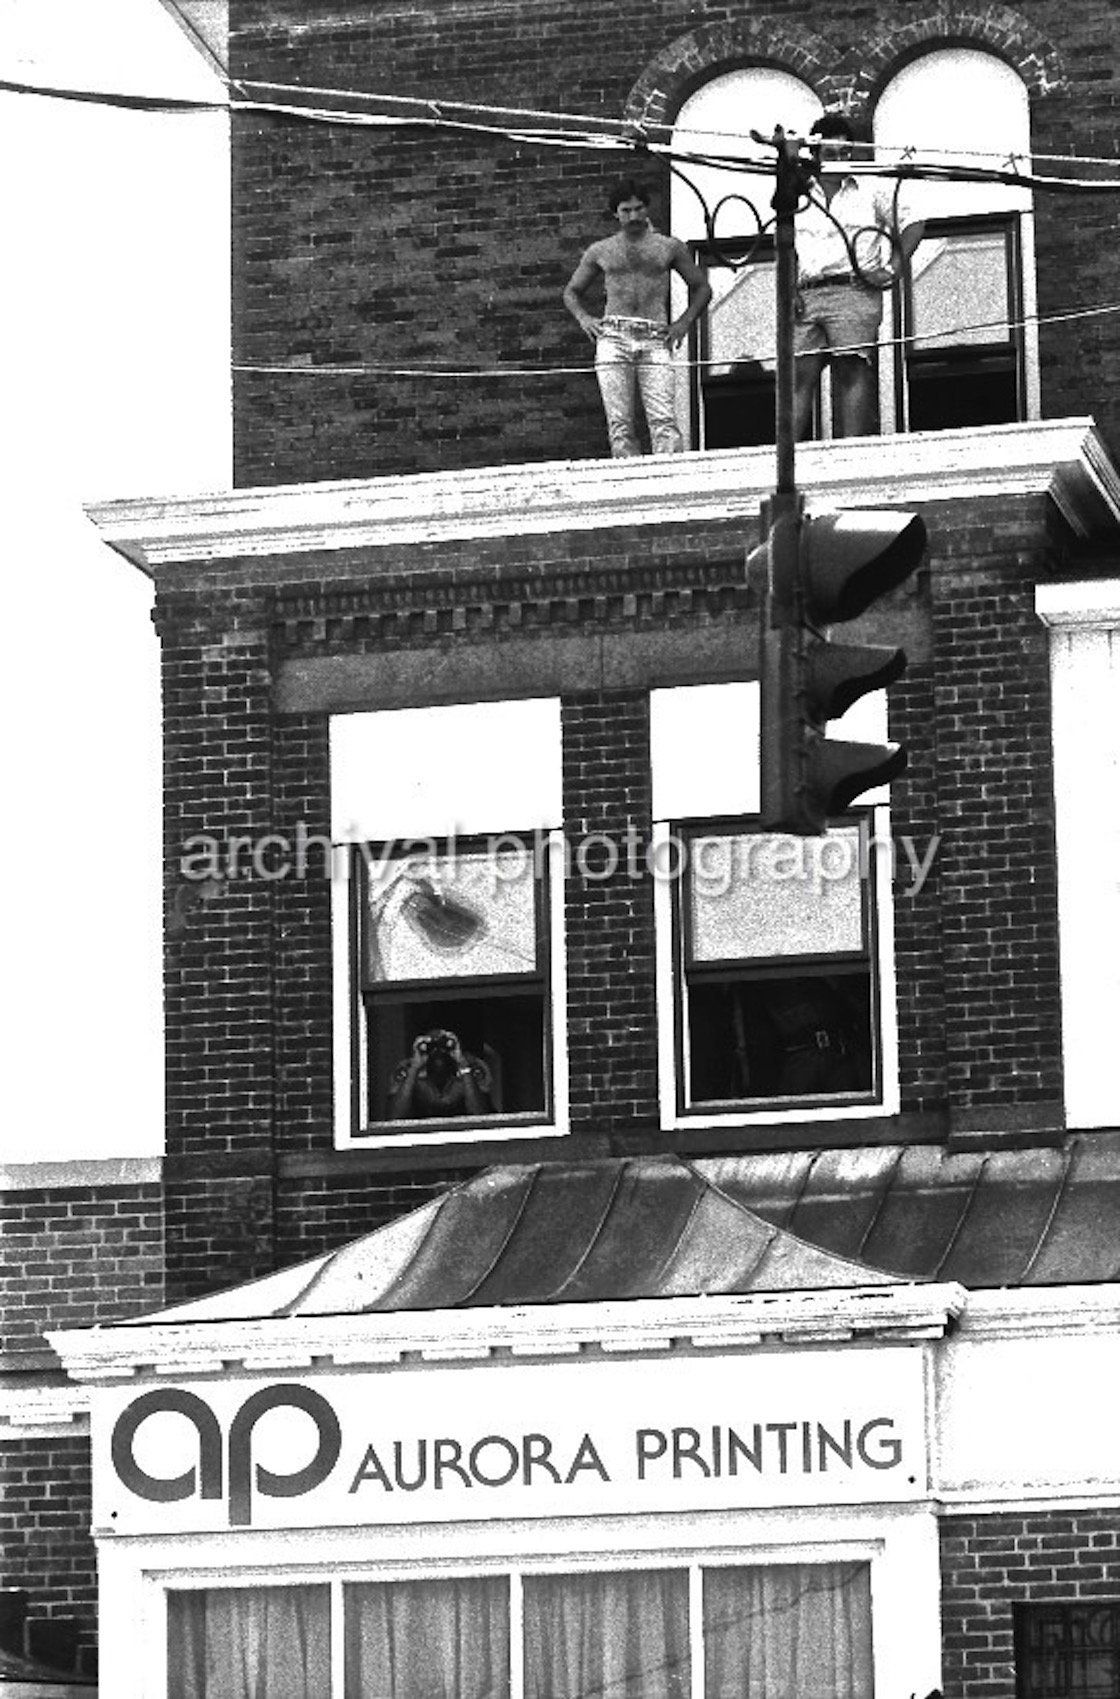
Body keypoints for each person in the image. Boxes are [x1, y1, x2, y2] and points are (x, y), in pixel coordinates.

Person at [793, 112, 925, 439]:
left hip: (854, 289)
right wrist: (789, 290)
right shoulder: (799, 192)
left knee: (851, 369)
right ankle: (786, 459)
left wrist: (893, 267)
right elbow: (784, 248)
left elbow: (913, 224)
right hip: (807, 292)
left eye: (845, 153)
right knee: (798, 374)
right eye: (830, 154)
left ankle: (852, 453)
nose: (839, 160)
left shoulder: (870, 189)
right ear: (815, 155)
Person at [563, 177, 712, 457]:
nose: (633, 216)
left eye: (638, 208)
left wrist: (683, 323)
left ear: (647, 209)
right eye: (626, 210)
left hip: (655, 335)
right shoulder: (601, 250)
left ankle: (669, 481)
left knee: (663, 419)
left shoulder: (668, 246)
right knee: (619, 422)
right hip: (614, 336)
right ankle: (627, 481)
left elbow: (702, 287)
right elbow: (571, 292)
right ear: (615, 214)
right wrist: (585, 319)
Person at [387, 1028, 494, 1120]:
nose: (438, 1051)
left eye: (443, 1044)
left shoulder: (472, 1068)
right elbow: (394, 1118)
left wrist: (462, 1064)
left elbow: (481, 1116)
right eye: (432, 1045)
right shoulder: (408, 1070)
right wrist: (414, 1068)